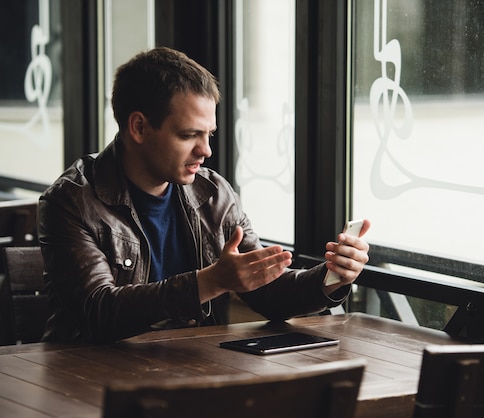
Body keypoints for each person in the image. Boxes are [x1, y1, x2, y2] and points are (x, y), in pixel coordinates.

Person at [37, 47, 371, 343]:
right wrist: (207, 282)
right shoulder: (71, 201)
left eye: (209, 134)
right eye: (189, 135)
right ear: (138, 127)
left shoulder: (213, 194)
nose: (207, 150)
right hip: (87, 384)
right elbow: (99, 312)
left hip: (194, 373)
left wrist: (332, 278)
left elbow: (267, 290)